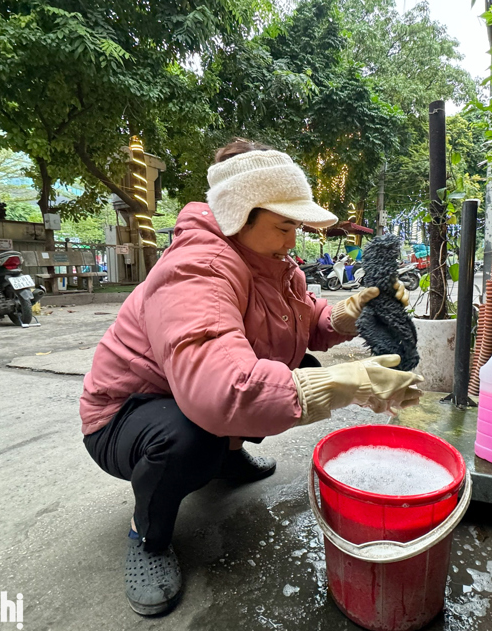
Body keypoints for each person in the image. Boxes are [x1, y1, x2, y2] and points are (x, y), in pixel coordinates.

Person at [80, 140, 423, 617]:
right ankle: (148, 536)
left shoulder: (276, 266)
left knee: (298, 371)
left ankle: (226, 456)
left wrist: (353, 314)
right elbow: (221, 390)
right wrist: (348, 384)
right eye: (284, 227)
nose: (291, 241)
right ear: (240, 214)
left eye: (296, 228)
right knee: (191, 437)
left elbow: (305, 323)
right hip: (125, 417)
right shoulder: (194, 269)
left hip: (186, 396)